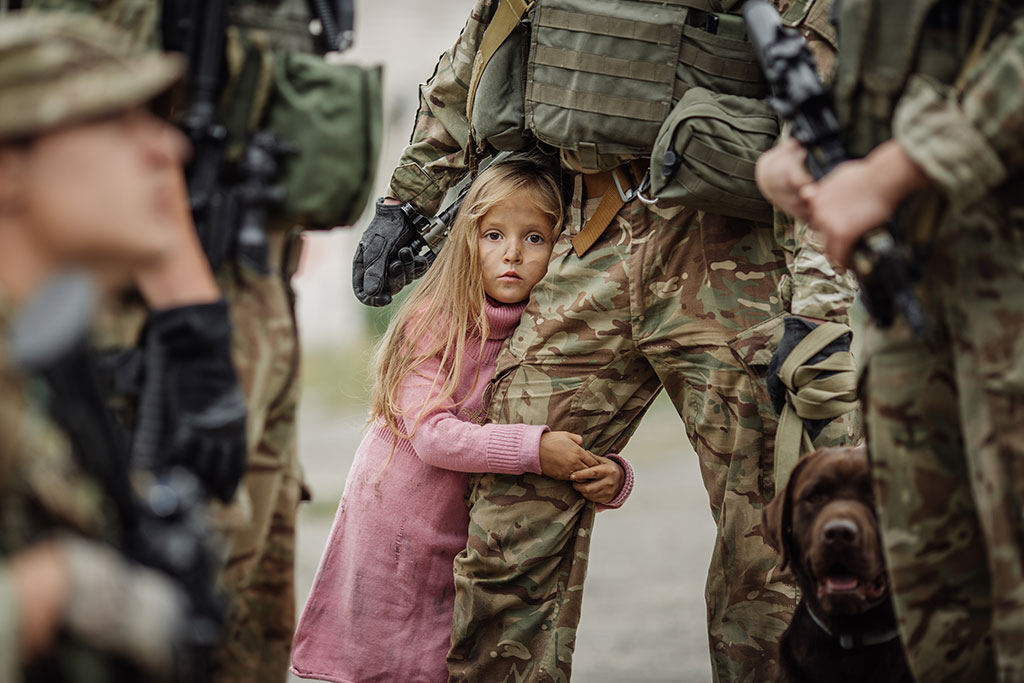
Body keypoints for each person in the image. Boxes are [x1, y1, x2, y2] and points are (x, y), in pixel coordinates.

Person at [353, 0, 861, 680]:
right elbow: (491, 32)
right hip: (584, 228)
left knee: (770, 545)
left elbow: (824, 111)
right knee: (509, 524)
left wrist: (821, 307)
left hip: (733, 252)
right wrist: (409, 196)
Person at [3, 2, 381, 681]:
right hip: (178, 312)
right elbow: (87, 100)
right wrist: (194, 324)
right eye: (126, 125)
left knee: (239, 611)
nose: (160, 147)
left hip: (254, 286)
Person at [757, 0, 1024, 680]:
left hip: (1005, 268)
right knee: (940, 621)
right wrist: (796, 158)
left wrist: (892, 172)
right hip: (903, 286)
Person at [290, 157, 635, 683]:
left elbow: (563, 424)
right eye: (493, 235)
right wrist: (535, 451)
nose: (512, 254)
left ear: (561, 248)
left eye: (535, 238)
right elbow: (432, 436)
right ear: (466, 241)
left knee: (445, 662)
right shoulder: (435, 321)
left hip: (461, 544)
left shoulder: (549, 339)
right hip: (394, 531)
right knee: (387, 665)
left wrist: (612, 476)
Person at [0, 12, 199, 679]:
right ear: (8, 168)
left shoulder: (46, 357)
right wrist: (40, 595)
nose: (167, 149)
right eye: (117, 123)